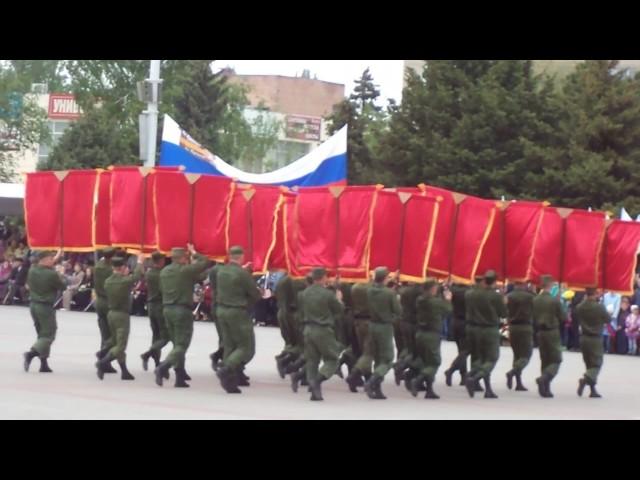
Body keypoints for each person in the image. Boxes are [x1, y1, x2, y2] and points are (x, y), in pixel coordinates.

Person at [154, 244, 208, 388]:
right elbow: (205, 262)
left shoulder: (164, 271)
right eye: (187, 257)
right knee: (182, 344)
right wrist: (194, 252)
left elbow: (161, 288)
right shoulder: (185, 270)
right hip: (181, 310)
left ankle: (179, 377)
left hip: (167, 309)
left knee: (177, 344)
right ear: (183, 258)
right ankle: (163, 367)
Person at [212, 246, 262, 394]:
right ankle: (226, 367)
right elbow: (254, 294)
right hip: (237, 312)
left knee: (229, 345)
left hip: (221, 310)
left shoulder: (221, 271)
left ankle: (230, 381)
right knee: (245, 347)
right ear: (241, 257)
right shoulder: (242, 274)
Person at [290, 267, 344, 401]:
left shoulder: (302, 294)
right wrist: (339, 299)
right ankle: (317, 381)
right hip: (323, 329)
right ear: (323, 277)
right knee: (332, 359)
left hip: (308, 329)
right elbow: (339, 310)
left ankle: (315, 391)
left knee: (312, 360)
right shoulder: (327, 294)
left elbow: (301, 312)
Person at [95, 255, 143, 380]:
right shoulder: (124, 281)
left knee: (115, 342)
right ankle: (102, 361)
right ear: (122, 268)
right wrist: (140, 262)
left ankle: (122, 369)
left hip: (111, 314)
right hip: (121, 315)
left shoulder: (108, 281)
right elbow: (137, 276)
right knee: (121, 345)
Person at [464, 270, 506, 399]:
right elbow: (503, 313)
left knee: (481, 359)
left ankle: (487, 388)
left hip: (475, 328)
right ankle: (474, 377)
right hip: (490, 329)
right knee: (491, 358)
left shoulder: (470, 294)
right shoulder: (495, 296)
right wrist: (504, 301)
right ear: (494, 281)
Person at [23, 250, 65, 373]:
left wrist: (55, 258)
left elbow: (44, 266)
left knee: (41, 335)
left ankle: (43, 363)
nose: (53, 261)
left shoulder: (32, 270)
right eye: (50, 259)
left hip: (33, 306)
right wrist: (60, 274)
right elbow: (62, 286)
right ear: (44, 260)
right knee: (48, 335)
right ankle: (30, 354)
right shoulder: (51, 274)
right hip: (45, 307)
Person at [410, 279, 453, 399]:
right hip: (432, 335)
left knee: (426, 363)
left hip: (421, 333)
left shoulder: (420, 300)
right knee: (434, 362)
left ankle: (429, 389)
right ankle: (418, 380)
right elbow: (448, 311)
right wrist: (448, 299)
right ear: (432, 288)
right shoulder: (435, 302)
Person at [364, 266, 402, 400]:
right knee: (387, 359)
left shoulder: (369, 290)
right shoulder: (389, 293)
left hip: (372, 325)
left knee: (378, 358)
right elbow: (398, 311)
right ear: (385, 278)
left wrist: (392, 281)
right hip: (385, 327)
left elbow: (378, 286)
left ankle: (377, 389)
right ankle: (372, 382)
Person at [532, 275, 566, 398]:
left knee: (545, 360)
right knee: (556, 360)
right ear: (550, 285)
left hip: (540, 332)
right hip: (552, 331)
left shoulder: (535, 300)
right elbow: (563, 317)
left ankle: (545, 388)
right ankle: (544, 378)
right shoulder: (554, 300)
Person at [575, 288, 608, 398]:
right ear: (595, 294)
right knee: (596, 364)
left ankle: (592, 390)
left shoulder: (580, 307)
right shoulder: (599, 307)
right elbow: (608, 319)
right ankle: (584, 380)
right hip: (595, 339)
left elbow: (576, 315)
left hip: (584, 337)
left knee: (589, 364)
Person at [140, 252, 169, 371]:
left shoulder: (149, 273)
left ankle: (157, 362)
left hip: (151, 306)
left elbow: (142, 274)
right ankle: (148, 354)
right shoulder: (162, 274)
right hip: (160, 305)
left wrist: (140, 262)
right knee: (165, 336)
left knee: (155, 335)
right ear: (161, 261)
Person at [94, 248, 119, 374]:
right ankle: (104, 356)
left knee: (104, 333)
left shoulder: (98, 266)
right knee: (114, 334)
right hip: (110, 302)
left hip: (99, 301)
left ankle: (105, 359)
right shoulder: (111, 270)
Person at [394, 281, 422, 386]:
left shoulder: (403, 291)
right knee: (417, 353)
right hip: (416, 323)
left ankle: (401, 365)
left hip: (404, 322)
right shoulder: (420, 292)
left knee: (407, 349)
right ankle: (403, 368)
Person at [444, 283, 470, 387]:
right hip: (465, 322)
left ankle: (463, 376)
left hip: (455, 322)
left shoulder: (453, 291)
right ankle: (451, 370)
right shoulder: (469, 293)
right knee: (466, 350)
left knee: (461, 350)